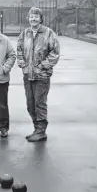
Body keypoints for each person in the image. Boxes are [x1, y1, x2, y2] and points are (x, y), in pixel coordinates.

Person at [17, 7, 60, 142]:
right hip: (27, 76)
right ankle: (36, 129)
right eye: (31, 16)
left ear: (41, 18)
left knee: (39, 104)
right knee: (30, 104)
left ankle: (41, 131)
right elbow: (19, 51)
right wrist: (23, 66)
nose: (33, 19)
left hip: (42, 77)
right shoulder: (24, 34)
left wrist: (43, 66)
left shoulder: (49, 33)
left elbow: (55, 53)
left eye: (36, 16)